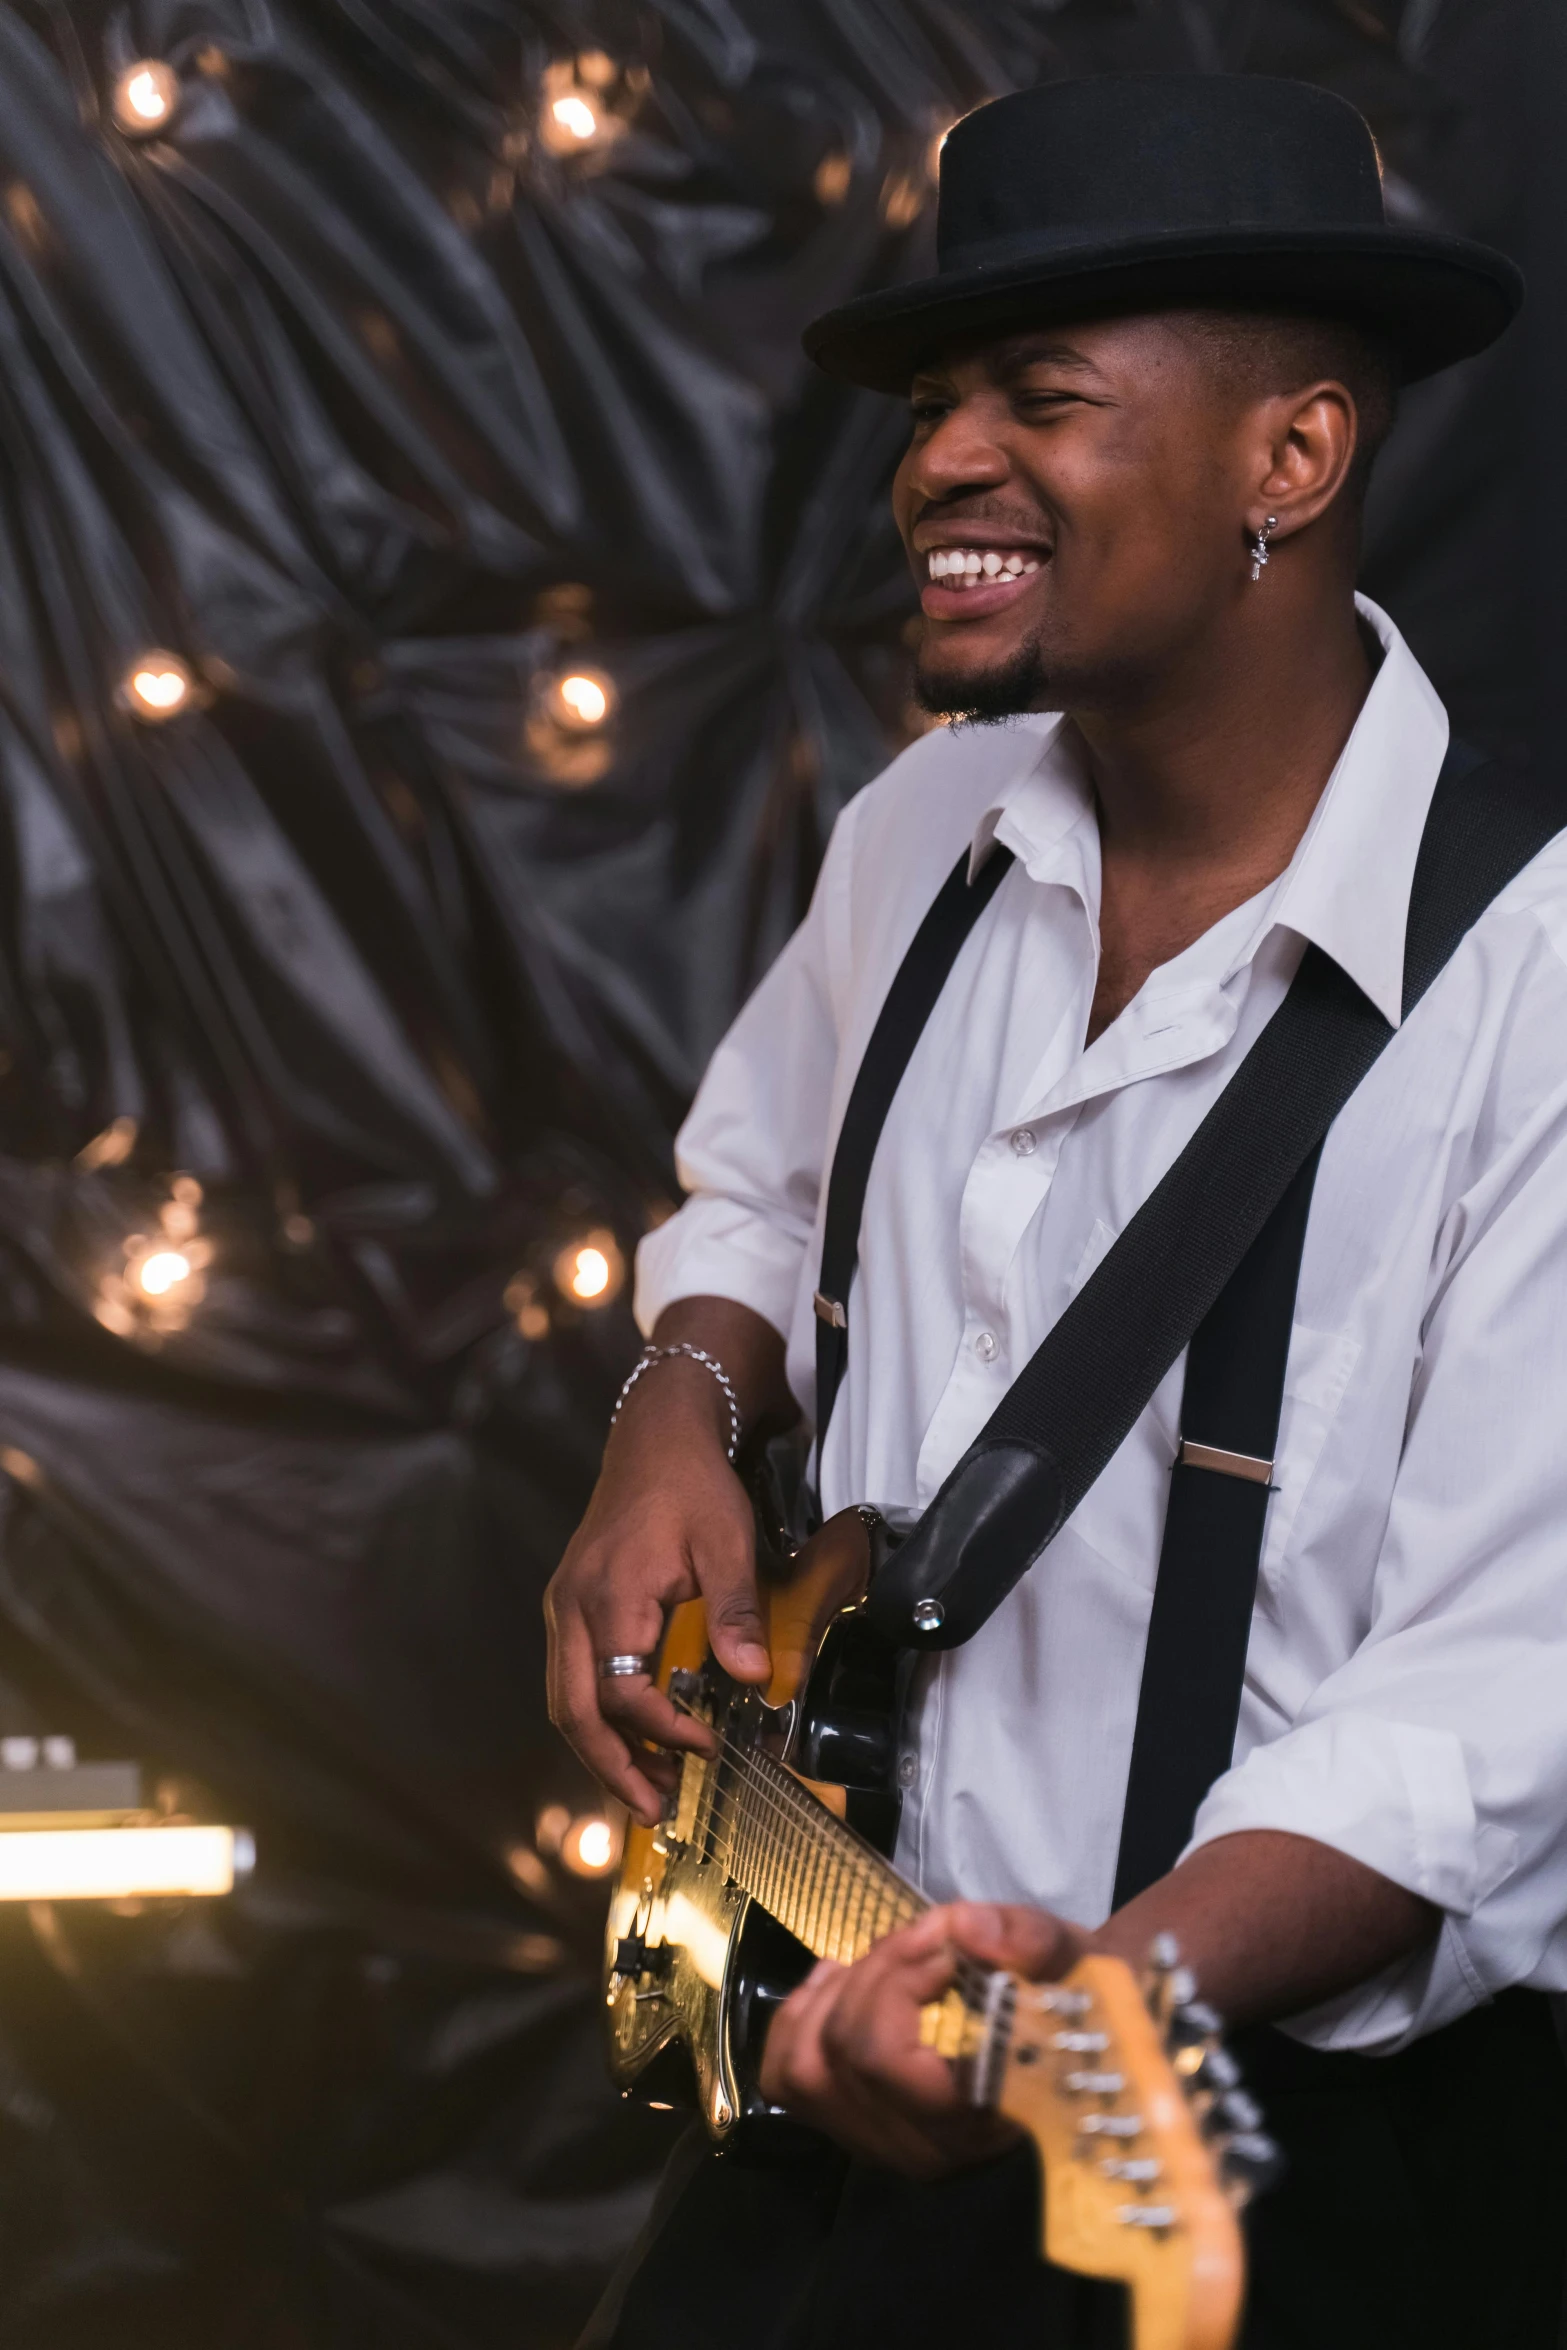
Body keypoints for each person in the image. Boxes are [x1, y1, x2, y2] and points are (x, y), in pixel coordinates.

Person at [547, 73, 1567, 2350]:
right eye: (934, 402)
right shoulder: (926, 828)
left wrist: (1091, 1995)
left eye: (1043, 398)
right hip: (839, 2064)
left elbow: (1503, 1690)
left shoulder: (1536, 988)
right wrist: (672, 1419)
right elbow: (750, 1185)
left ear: (1288, 463)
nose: (938, 462)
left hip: (1287, 2177)